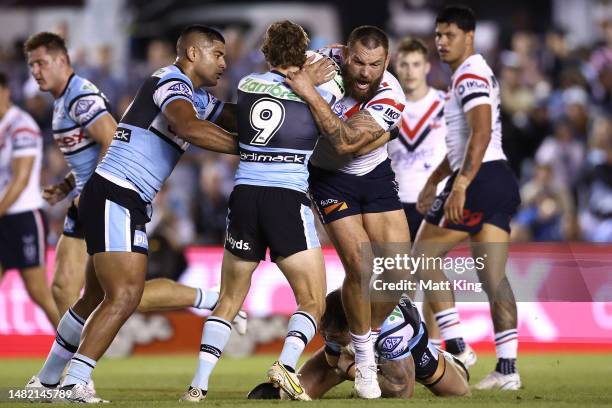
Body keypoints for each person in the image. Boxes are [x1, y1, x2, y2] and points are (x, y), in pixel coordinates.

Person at [24, 31, 245, 401]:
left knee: (95, 296)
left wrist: (279, 107)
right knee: (125, 294)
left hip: (116, 195)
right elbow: (187, 127)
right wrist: (250, 151)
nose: (225, 63)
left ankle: (46, 381)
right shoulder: (170, 81)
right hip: (118, 192)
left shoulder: (197, 97)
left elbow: (238, 117)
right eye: (217, 54)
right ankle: (75, 380)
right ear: (193, 52)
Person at [181, 20, 341, 402]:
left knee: (230, 298)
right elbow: (333, 121)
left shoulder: (248, 84)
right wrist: (317, 72)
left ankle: (198, 386)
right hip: (285, 196)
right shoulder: (323, 86)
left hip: (245, 196)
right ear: (303, 53)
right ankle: (285, 366)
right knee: (312, 300)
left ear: (265, 54)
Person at [286, 26, 409, 399]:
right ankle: (366, 362)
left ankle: (348, 343)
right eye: (357, 61)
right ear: (346, 53)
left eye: (374, 64)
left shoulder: (391, 95)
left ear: (385, 62)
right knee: (362, 268)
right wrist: (299, 78)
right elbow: (284, 79)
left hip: (372, 175)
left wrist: (307, 90)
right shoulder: (324, 61)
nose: (364, 72)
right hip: (328, 181)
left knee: (400, 276)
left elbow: (345, 142)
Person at [414, 6, 521, 390]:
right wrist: (436, 179)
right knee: (494, 279)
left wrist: (459, 185)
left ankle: (457, 345)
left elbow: (480, 133)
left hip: (478, 177)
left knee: (421, 256)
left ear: (469, 37)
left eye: (449, 35)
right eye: (438, 35)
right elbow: (462, 144)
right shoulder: (470, 73)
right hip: (497, 177)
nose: (441, 42)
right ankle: (508, 369)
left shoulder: (470, 74)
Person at [247, 290, 470, 399]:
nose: (331, 340)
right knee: (295, 395)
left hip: (408, 348)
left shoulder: (391, 332)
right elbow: (332, 359)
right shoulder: (333, 323)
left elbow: (403, 392)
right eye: (328, 337)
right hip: (356, 353)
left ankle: (447, 360)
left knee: (459, 394)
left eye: (337, 338)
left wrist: (353, 370)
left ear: (353, 328)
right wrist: (347, 364)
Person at [388, 37, 449, 347]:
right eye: (404, 65)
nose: (410, 71)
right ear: (395, 67)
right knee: (400, 280)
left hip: (432, 203)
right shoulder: (387, 104)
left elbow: (461, 153)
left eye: (415, 64)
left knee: (430, 272)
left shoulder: (445, 105)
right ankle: (409, 346)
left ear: (427, 67)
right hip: (393, 204)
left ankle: (438, 349)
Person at [0, 71, 59, 328]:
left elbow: (21, 179)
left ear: (5, 91)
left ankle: (77, 349)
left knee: (38, 291)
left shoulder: (21, 126)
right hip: (4, 215)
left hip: (23, 216)